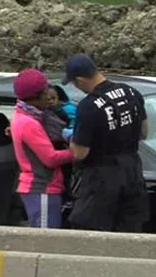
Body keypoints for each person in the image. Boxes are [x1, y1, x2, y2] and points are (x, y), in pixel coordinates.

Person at [61, 53, 150, 232]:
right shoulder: (131, 92)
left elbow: (80, 153)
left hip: (102, 177)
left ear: (79, 80)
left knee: (91, 230)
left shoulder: (89, 106)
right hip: (133, 170)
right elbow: (144, 133)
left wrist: (70, 137)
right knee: (129, 229)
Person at [10, 68, 75, 229]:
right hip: (42, 188)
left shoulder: (27, 115)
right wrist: (75, 153)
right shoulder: (29, 123)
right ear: (35, 97)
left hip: (42, 188)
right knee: (45, 241)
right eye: (45, 92)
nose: (48, 95)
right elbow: (50, 158)